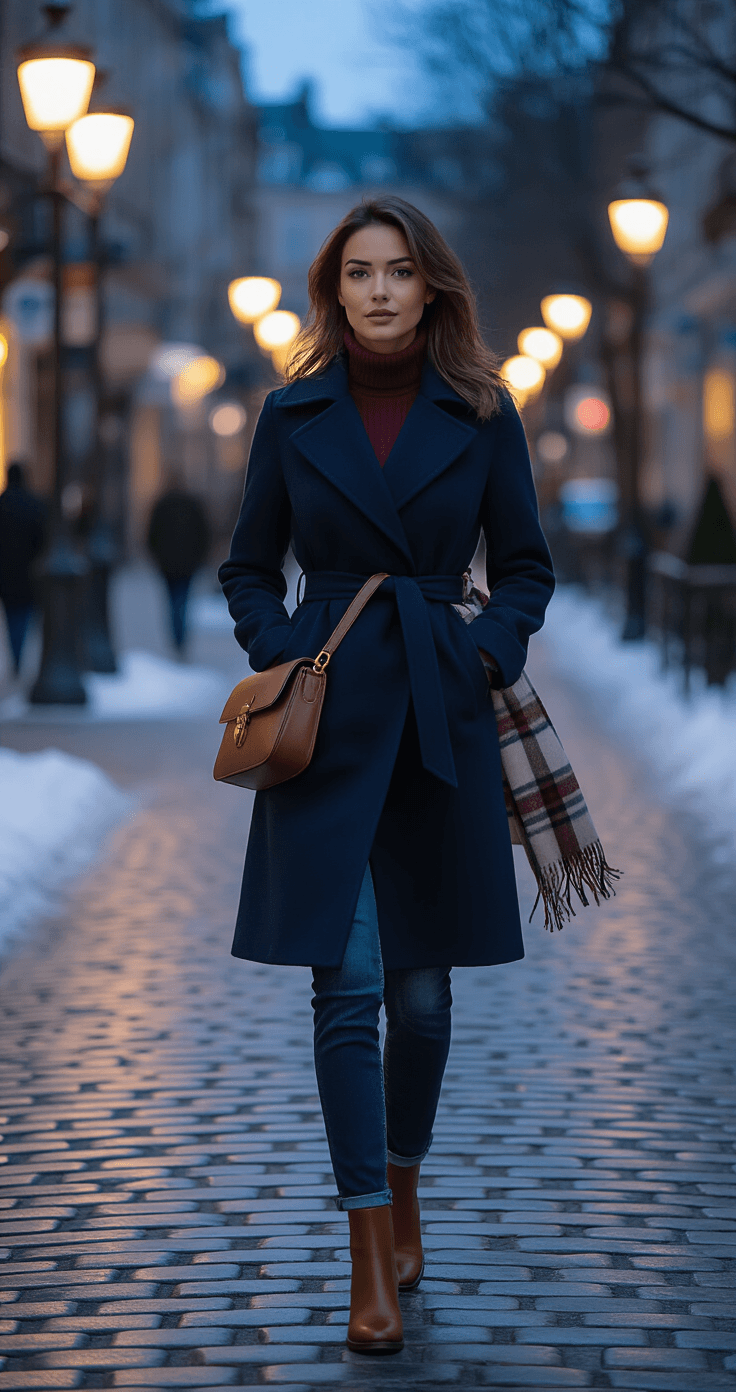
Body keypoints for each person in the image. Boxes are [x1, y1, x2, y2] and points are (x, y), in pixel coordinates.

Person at [219, 197, 555, 1355]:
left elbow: (522, 567)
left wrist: (483, 647)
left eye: (397, 272)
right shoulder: (290, 411)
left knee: (420, 998)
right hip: (322, 725)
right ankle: (367, 1248)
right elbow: (245, 565)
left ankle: (403, 1184)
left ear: (430, 288)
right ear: (333, 289)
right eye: (357, 272)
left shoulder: (480, 413)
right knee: (346, 988)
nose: (376, 291)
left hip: (437, 718)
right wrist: (280, 644)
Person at [147, 476, 211, 655]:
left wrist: (156, 557)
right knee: (183, 600)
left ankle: (176, 637)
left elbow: (151, 535)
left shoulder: (161, 506)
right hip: (188, 563)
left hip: (168, 563)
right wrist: (200, 557)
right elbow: (204, 533)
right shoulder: (192, 505)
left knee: (172, 601)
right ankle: (180, 637)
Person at [0, 461, 47, 676]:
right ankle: (19, 657)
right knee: (25, 616)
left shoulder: (2, 504)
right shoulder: (35, 505)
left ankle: (16, 657)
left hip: (6, 572)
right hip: (29, 572)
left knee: (12, 618)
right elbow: (43, 541)